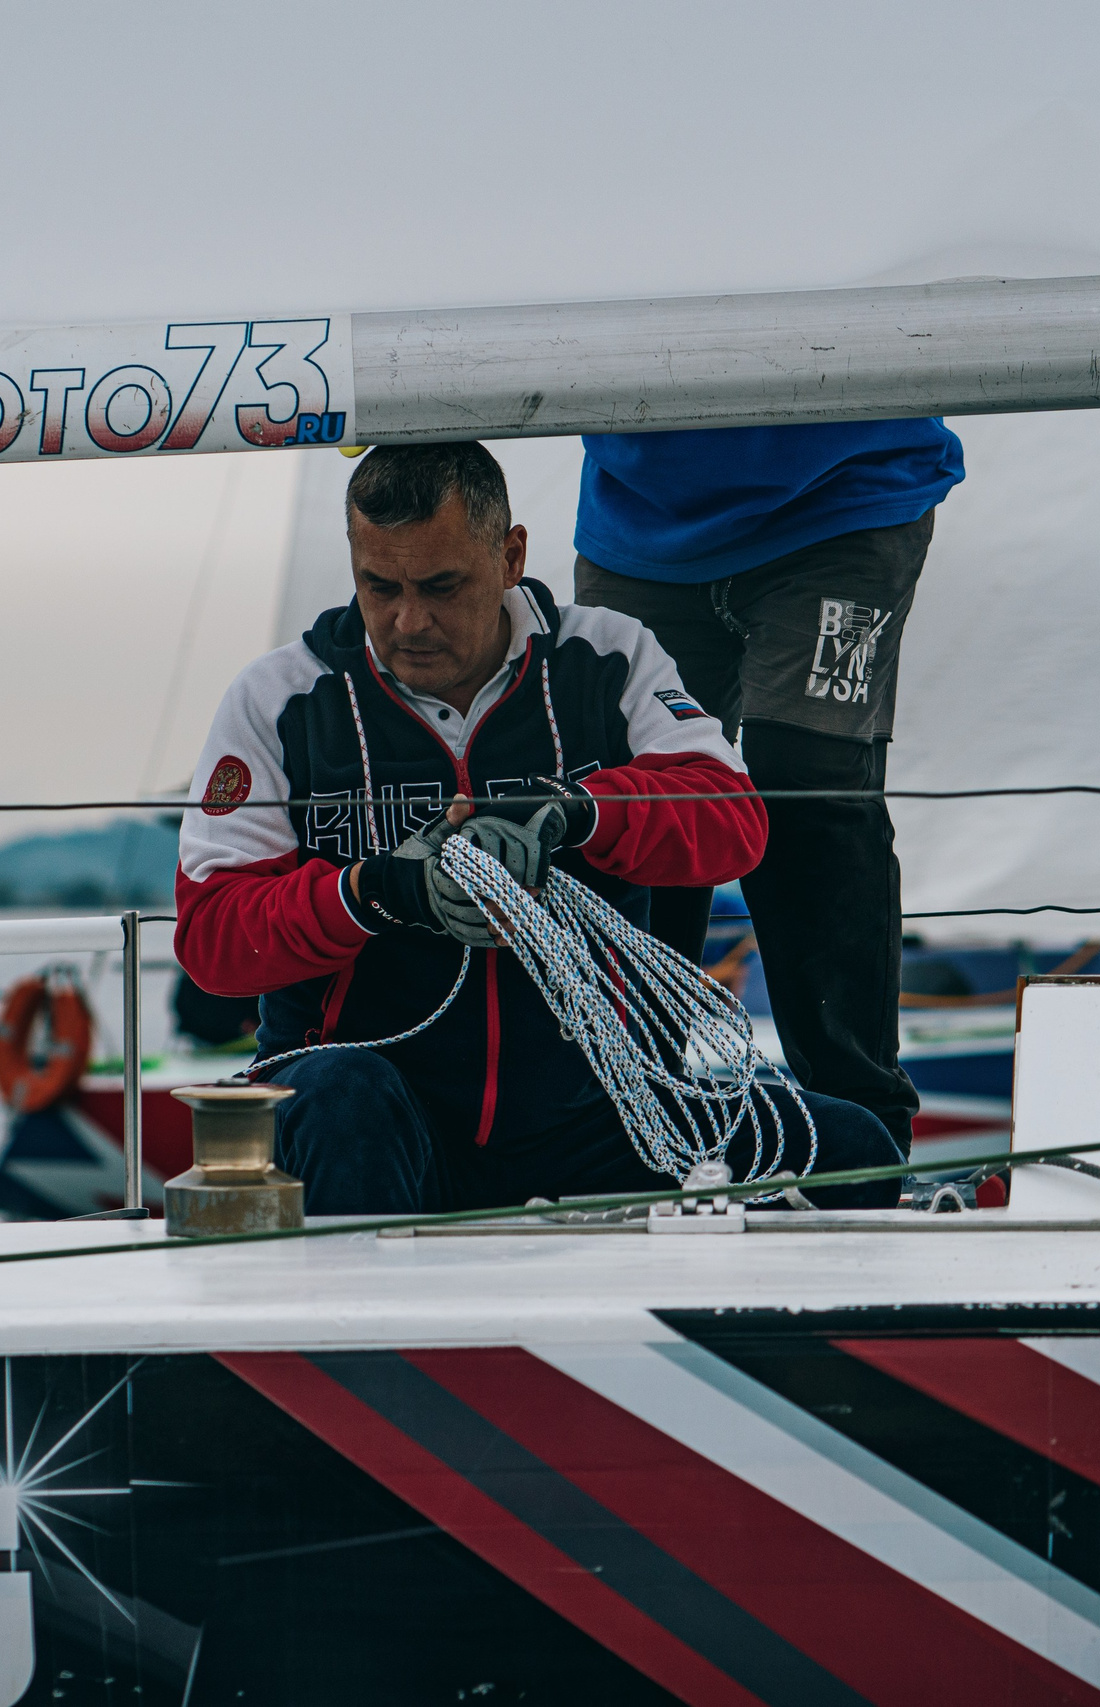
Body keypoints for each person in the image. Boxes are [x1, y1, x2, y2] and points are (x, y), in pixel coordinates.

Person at [173, 442, 901, 1214]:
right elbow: (213, 938)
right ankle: (366, 1335)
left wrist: (572, 812)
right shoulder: (279, 700)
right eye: (377, 586)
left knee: (857, 1152)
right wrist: (380, 889)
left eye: (441, 586)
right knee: (338, 1094)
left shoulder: (606, 655)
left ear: (511, 555)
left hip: (599, 1116)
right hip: (379, 1113)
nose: (407, 620)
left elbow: (732, 819)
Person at [572, 421, 965, 1143]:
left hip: (847, 494)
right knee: (637, 802)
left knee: (807, 789)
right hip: (643, 514)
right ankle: (628, 1123)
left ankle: (863, 1133)